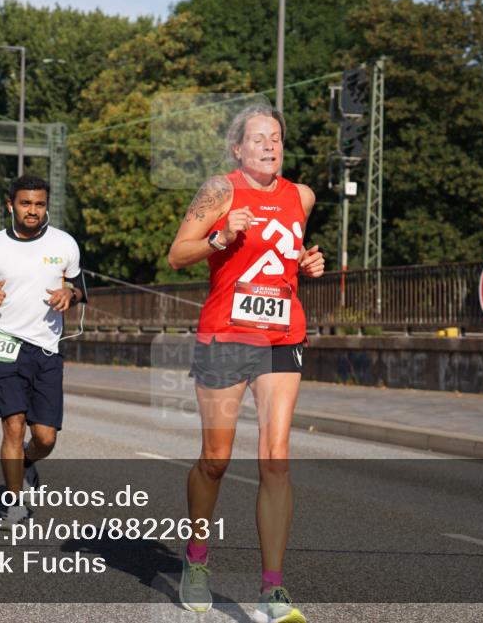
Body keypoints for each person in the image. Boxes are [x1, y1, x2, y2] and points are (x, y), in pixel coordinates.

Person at [167, 106, 324, 623]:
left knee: (276, 458)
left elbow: (283, 255)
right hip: (225, 334)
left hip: (281, 333)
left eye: (275, 137)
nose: (269, 146)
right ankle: (196, 557)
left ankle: (272, 591)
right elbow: (177, 255)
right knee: (216, 458)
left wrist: (305, 262)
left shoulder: (301, 196)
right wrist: (219, 237)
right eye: (258, 139)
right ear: (237, 149)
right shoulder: (220, 191)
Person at [0, 175, 86, 527]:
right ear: (11, 205)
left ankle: (28, 462)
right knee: (12, 428)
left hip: (47, 348)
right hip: (5, 345)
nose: (33, 210)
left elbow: (79, 287)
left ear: (46, 206)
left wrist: (70, 294)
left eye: (39, 204)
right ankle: (14, 504)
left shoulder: (64, 243)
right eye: (26, 203)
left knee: (45, 437)